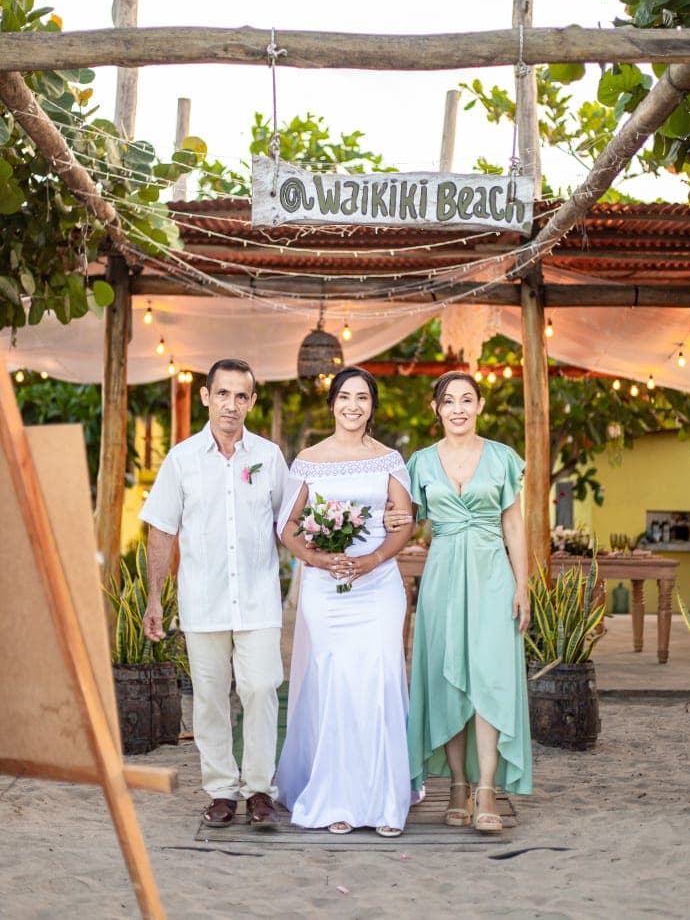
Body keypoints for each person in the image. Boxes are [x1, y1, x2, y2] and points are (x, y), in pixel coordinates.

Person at [141, 358, 288, 829]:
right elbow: (161, 530)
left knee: (262, 688)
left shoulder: (269, 456)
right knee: (207, 697)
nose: (231, 404)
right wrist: (153, 598)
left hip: (259, 598)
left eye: (240, 395)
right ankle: (222, 790)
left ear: (251, 402)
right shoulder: (181, 459)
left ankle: (260, 790)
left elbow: (290, 524)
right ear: (206, 397)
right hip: (202, 601)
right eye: (222, 394)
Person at [385, 371, 532, 833]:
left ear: (480, 406)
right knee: (447, 678)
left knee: (490, 677)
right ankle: (458, 785)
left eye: (467, 400)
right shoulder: (420, 462)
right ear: (436, 409)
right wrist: (390, 517)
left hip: (492, 574)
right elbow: (404, 518)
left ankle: (487, 787)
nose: (458, 408)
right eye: (449, 401)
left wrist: (523, 585)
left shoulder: (504, 458)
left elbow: (514, 526)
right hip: (444, 576)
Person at [276, 366, 414, 836]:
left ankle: (384, 802)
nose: (353, 405)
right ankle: (335, 798)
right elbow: (288, 527)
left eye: (363, 398)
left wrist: (373, 559)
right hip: (326, 589)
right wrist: (315, 558)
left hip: (378, 587)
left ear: (372, 407)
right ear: (332, 403)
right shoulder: (309, 460)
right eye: (344, 397)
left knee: (378, 680)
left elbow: (404, 523)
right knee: (335, 684)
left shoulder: (389, 459)